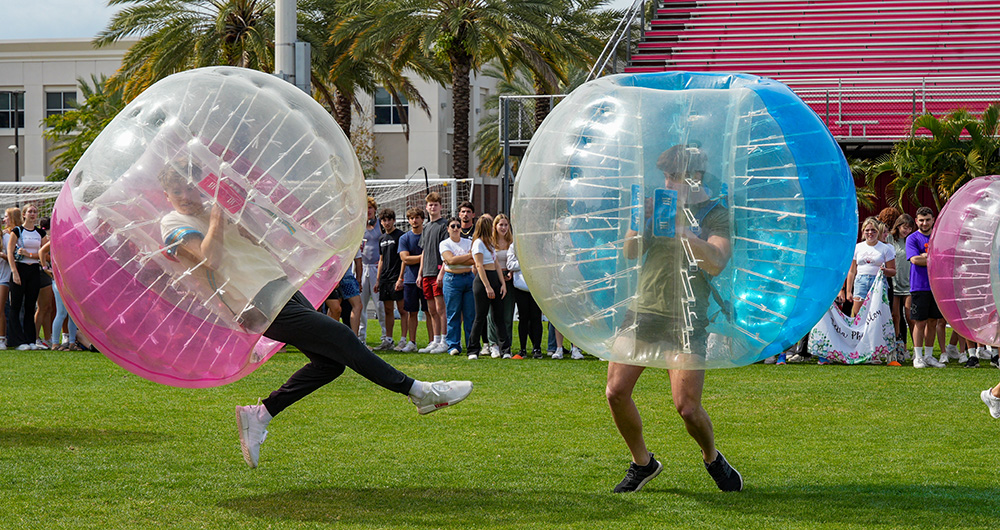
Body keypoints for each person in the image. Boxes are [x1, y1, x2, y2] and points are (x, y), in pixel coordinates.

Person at [155, 164, 473, 469]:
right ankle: (420, 392)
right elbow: (210, 257)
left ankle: (260, 415)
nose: (184, 195)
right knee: (341, 336)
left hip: (276, 284)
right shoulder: (172, 223)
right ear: (166, 195)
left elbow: (254, 241)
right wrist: (217, 217)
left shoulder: (214, 209)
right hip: (253, 301)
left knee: (330, 364)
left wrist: (239, 216)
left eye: (189, 187)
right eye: (175, 190)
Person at [607, 144, 742, 493]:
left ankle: (712, 456)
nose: (667, 182)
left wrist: (684, 232)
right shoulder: (656, 205)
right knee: (615, 392)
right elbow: (629, 251)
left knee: (686, 407)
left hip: (687, 314)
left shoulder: (715, 212)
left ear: (694, 178)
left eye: (674, 176)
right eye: (665, 176)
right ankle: (643, 463)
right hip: (645, 308)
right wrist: (643, 223)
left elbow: (717, 261)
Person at [467, 216, 511, 360]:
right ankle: (473, 350)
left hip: (494, 278)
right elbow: (479, 265)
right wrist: (487, 286)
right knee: (480, 317)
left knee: (499, 317)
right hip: (483, 281)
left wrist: (502, 284)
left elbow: (496, 264)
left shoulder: (490, 244)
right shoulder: (478, 243)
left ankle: (505, 349)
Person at [906, 206, 946, 368]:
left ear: (933, 220)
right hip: (919, 286)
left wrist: (926, 257)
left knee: (933, 321)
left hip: (936, 286)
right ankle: (918, 357)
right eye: (921, 220)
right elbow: (915, 260)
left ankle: (929, 356)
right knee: (919, 322)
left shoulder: (939, 237)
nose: (924, 223)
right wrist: (933, 257)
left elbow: (945, 259)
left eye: (927, 220)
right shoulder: (912, 238)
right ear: (916, 221)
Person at [7, 203, 48, 350]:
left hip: (34, 271)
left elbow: (45, 254)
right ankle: (16, 341)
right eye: (30, 211)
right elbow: (10, 252)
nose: (32, 214)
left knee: (31, 306)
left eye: (35, 212)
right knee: (16, 306)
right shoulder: (17, 231)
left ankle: (31, 339)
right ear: (24, 214)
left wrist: (30, 254)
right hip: (20, 269)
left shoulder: (40, 233)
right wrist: (14, 272)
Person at [438, 217, 475, 356]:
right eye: (452, 226)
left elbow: (474, 259)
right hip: (452, 280)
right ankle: (453, 345)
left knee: (470, 314)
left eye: (458, 226)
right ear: (448, 228)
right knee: (453, 313)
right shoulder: (444, 244)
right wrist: (466, 257)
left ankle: (471, 345)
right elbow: (449, 260)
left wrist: (456, 259)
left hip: (469, 278)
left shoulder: (469, 242)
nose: (455, 228)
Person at [846, 217, 896, 318]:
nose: (870, 233)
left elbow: (893, 271)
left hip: (878, 282)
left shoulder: (886, 249)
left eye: (873, 230)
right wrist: (848, 291)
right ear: (863, 231)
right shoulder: (858, 247)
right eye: (867, 230)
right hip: (861, 281)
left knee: (876, 315)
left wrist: (885, 270)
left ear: (878, 232)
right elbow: (852, 271)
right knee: (858, 314)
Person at [418, 192, 449, 353]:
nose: (433, 207)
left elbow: (446, 252)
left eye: (435, 204)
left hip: (438, 272)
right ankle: (435, 340)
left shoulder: (444, 226)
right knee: (431, 310)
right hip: (427, 273)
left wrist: (441, 273)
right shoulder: (426, 227)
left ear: (440, 207)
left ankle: (444, 340)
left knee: (440, 308)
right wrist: (420, 273)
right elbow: (423, 251)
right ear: (427, 207)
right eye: (430, 205)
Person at [359, 197, 389, 349]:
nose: (368, 211)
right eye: (366, 208)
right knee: (360, 305)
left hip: (377, 268)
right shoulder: (359, 226)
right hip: (362, 267)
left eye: (370, 208)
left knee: (380, 305)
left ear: (375, 209)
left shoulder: (380, 226)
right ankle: (360, 338)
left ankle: (385, 337)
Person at [375, 208, 407, 350]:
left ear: (394, 220)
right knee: (388, 310)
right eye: (384, 220)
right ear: (381, 222)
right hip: (385, 278)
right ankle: (388, 339)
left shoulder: (401, 236)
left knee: (402, 309)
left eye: (389, 220)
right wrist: (377, 279)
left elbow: (403, 259)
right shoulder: (381, 238)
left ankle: (403, 340)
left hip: (397, 277)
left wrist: (401, 278)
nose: (387, 223)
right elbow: (381, 259)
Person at [39, 239, 80, 350]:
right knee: (62, 313)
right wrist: (45, 268)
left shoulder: (73, 240)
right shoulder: (56, 240)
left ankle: (71, 342)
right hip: (60, 280)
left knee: (72, 314)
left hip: (71, 280)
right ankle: (55, 343)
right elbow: (41, 251)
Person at [396, 207, 427, 353]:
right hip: (410, 280)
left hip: (427, 277)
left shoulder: (427, 235)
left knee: (429, 311)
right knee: (411, 312)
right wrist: (423, 257)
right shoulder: (405, 238)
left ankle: (433, 341)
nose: (414, 220)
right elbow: (405, 258)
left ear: (422, 219)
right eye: (411, 218)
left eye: (417, 217)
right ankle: (412, 341)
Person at [485, 214, 516, 358]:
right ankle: (493, 344)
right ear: (495, 226)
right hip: (494, 279)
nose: (503, 228)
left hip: (509, 280)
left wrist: (510, 272)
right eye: (500, 225)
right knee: (492, 314)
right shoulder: (490, 242)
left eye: (506, 225)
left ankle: (506, 344)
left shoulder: (512, 242)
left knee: (507, 313)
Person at [506, 240, 543, 359]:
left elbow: (540, 263)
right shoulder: (514, 246)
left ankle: (537, 348)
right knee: (523, 318)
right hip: (520, 287)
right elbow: (510, 265)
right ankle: (522, 349)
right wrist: (525, 261)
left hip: (535, 287)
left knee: (536, 318)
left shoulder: (537, 246)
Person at [889, 214, 915, 361]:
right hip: (893, 283)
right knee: (895, 316)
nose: (907, 230)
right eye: (905, 227)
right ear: (898, 226)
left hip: (908, 284)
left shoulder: (910, 240)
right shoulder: (889, 240)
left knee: (910, 316)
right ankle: (899, 346)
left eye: (910, 228)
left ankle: (916, 348)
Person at [0, 208, 16, 350]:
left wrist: (1, 254)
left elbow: (11, 256)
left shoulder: (6, 237)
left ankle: (2, 339)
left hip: (3, 278)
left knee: (1, 309)